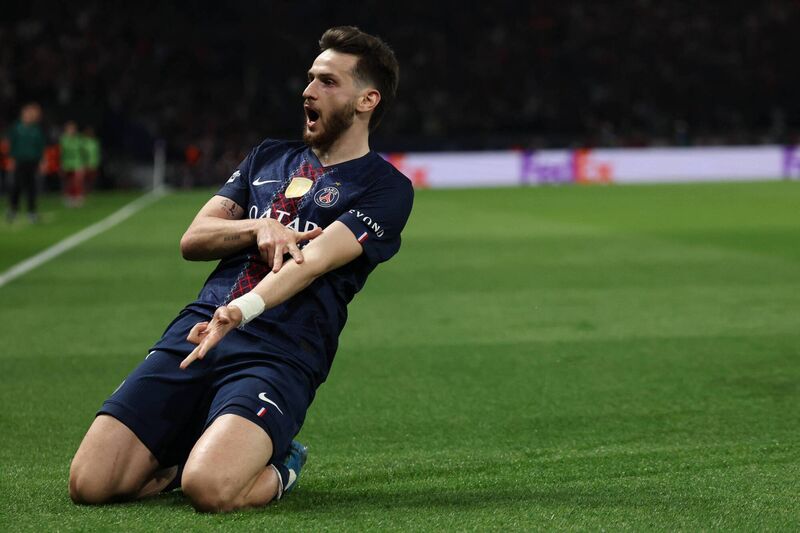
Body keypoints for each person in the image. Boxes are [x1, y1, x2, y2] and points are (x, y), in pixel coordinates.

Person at [69, 26, 412, 513]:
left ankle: (282, 463)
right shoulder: (267, 156)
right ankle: (186, 451)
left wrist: (243, 309)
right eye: (311, 78)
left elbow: (312, 260)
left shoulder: (385, 187)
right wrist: (258, 227)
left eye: (328, 82)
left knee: (210, 490)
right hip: (198, 328)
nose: (308, 90)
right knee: (90, 484)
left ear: (367, 100)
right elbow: (194, 238)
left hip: (281, 349)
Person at [6, 103, 46, 222]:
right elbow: (11, 144)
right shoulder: (16, 128)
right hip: (19, 161)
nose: (29, 116)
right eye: (27, 113)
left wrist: (42, 161)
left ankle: (31, 212)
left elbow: (40, 146)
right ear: (23, 114)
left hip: (32, 162)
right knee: (16, 186)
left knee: (31, 187)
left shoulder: (36, 129)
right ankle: (13, 210)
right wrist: (11, 159)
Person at [60, 120, 85, 206]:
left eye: (72, 129)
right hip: (66, 163)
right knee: (67, 182)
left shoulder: (79, 139)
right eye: (69, 129)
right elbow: (61, 153)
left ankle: (78, 198)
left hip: (77, 163)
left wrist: (82, 164)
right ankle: (69, 198)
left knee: (77, 181)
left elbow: (82, 152)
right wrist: (61, 165)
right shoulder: (63, 139)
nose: (71, 130)